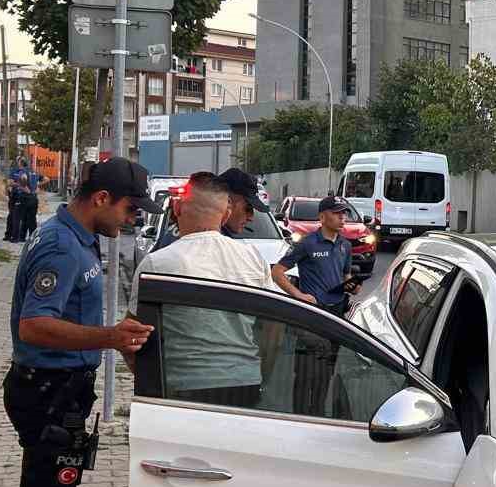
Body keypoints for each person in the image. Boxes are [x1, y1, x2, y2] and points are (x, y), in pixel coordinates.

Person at [3, 159, 159, 487]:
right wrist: (109, 338)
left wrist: (108, 338)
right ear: (101, 199)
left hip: (60, 390)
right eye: (130, 208)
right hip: (47, 391)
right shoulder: (60, 245)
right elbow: (34, 325)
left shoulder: (78, 238)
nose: (133, 218)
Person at [128, 177, 274, 408]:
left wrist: (153, 382)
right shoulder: (254, 258)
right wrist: (260, 370)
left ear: (176, 208)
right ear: (225, 215)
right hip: (244, 383)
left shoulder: (156, 265)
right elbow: (272, 327)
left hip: (180, 388)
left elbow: (132, 338)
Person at [274, 195, 354, 316]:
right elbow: (277, 272)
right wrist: (298, 295)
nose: (342, 217)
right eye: (336, 212)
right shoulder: (307, 243)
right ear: (322, 217)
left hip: (338, 310)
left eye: (344, 213)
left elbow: (346, 275)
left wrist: (353, 285)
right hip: (314, 311)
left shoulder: (345, 245)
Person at [215, 167, 273, 237]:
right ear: (227, 202)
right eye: (247, 209)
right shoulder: (211, 243)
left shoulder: (220, 240)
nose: (251, 218)